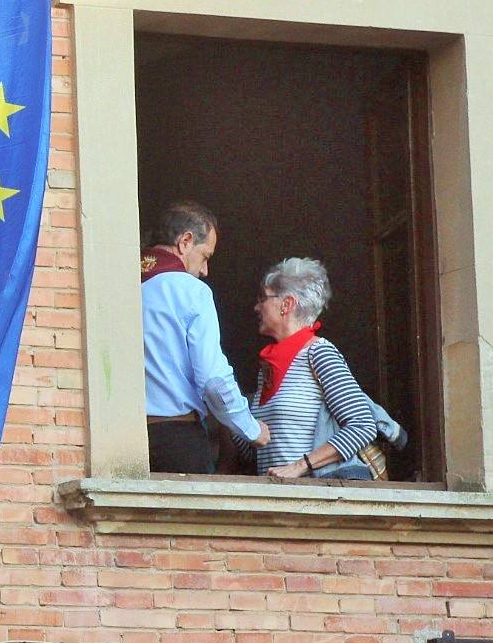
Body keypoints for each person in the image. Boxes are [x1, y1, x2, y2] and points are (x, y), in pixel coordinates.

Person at [140, 201, 268, 474]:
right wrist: (251, 428)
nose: (205, 270)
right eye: (205, 256)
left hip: (123, 442)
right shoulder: (191, 290)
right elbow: (213, 379)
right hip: (177, 439)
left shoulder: (121, 285)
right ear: (185, 241)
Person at [239, 257, 383, 481]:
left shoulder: (319, 354)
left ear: (287, 304)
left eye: (263, 298)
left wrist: (300, 466)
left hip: (314, 502)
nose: (257, 306)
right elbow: (260, 450)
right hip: (274, 501)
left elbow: (363, 425)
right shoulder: (268, 367)